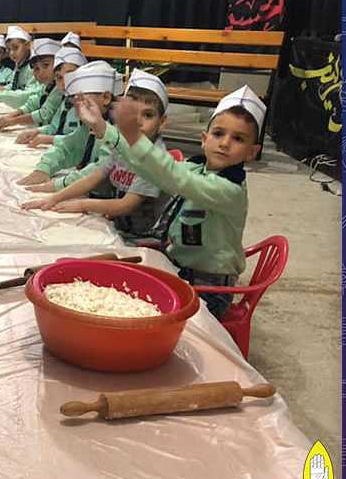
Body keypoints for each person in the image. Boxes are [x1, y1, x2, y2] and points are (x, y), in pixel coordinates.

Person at [75, 85, 265, 318]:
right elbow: (149, 168)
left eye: (238, 139)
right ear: (204, 139)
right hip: (179, 266)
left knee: (139, 313)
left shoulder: (229, 189)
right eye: (218, 134)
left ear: (251, 152)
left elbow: (176, 177)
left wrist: (132, 135)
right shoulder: (195, 168)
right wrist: (103, 128)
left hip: (210, 287)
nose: (225, 143)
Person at [23, 69, 172, 240]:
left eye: (148, 115)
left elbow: (126, 205)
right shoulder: (122, 145)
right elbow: (94, 177)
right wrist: (54, 198)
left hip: (141, 238)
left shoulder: (155, 160)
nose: (137, 121)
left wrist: (82, 204)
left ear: (162, 122)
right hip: (116, 227)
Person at [17, 60, 122, 188]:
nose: (77, 107)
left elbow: (99, 170)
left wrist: (59, 184)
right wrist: (44, 168)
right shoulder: (87, 127)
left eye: (82, 99)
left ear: (106, 98)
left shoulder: (118, 132)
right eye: (73, 100)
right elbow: (67, 146)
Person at [16, 46, 88, 147]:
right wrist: (37, 131)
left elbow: (82, 140)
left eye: (70, 76)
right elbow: (55, 127)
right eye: (59, 77)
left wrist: (50, 139)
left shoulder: (89, 105)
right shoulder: (67, 101)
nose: (64, 83)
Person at [0, 38, 61, 132]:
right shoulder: (47, 85)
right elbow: (34, 102)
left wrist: (13, 121)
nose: (40, 72)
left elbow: (45, 113)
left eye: (45, 65)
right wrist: (12, 115)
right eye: (36, 68)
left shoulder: (60, 88)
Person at [0, 26, 39, 108]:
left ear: (27, 45)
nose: (11, 53)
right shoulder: (19, 65)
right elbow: (13, 86)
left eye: (15, 48)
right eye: (8, 49)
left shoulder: (34, 67)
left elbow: (28, 96)